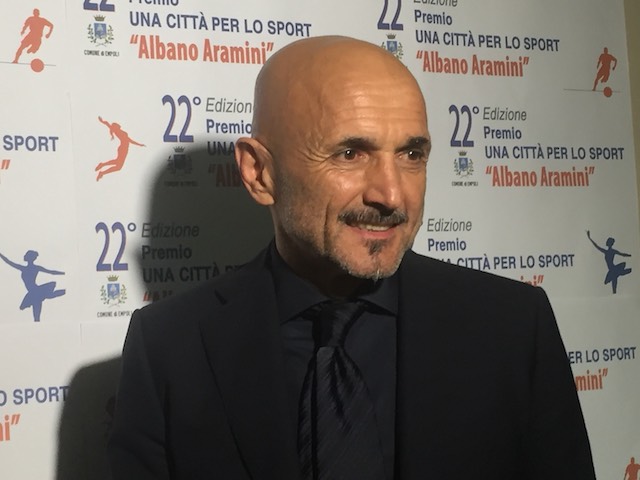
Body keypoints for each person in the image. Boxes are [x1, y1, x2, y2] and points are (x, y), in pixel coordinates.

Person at [108, 36, 595, 479]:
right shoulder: (170, 346)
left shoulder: (512, 326)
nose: (391, 194)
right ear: (259, 172)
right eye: (350, 154)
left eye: (411, 155)